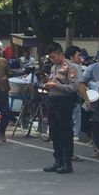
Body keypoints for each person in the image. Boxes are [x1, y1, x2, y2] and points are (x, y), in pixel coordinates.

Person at [42, 43, 81, 174]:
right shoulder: (54, 67)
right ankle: (57, 160)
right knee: (54, 133)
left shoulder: (71, 67)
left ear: (60, 54)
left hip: (64, 102)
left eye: (53, 56)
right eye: (50, 57)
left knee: (65, 133)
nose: (52, 60)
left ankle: (67, 162)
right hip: (53, 101)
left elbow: (74, 87)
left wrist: (57, 86)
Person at [65, 46, 86, 143]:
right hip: (74, 96)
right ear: (71, 56)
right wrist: (87, 99)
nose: (80, 58)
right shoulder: (77, 67)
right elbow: (80, 84)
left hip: (64, 96)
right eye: (78, 55)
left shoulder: (62, 65)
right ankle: (75, 135)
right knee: (77, 115)